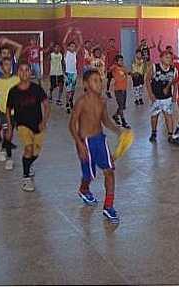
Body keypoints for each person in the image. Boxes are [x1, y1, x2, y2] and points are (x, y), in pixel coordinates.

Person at [69, 69, 124, 224]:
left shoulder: (102, 101)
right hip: (86, 142)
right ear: (85, 84)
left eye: (100, 80)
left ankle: (108, 206)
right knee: (89, 176)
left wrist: (119, 131)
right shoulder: (81, 102)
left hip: (100, 141)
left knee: (109, 171)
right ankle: (84, 189)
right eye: (94, 80)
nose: (99, 83)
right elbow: (72, 125)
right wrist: (79, 144)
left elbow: (105, 120)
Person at [6, 62, 50, 191]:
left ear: (30, 73)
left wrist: (44, 121)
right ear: (17, 73)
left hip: (38, 125)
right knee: (28, 148)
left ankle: (28, 163)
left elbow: (47, 106)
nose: (24, 73)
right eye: (21, 70)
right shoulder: (13, 91)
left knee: (35, 152)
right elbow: (8, 109)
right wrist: (9, 126)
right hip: (22, 125)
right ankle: (26, 178)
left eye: (27, 70)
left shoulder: (37, 89)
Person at [0, 57, 21, 169]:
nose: (8, 67)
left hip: (15, 112)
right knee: (8, 133)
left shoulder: (17, 80)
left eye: (10, 65)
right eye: (6, 65)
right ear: (0, 68)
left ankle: (3, 147)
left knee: (10, 133)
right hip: (3, 111)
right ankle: (9, 159)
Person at [145, 51, 179, 145]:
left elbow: (176, 82)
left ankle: (170, 135)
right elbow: (147, 80)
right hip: (156, 98)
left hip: (167, 97)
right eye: (166, 57)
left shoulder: (174, 70)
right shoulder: (154, 67)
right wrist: (150, 94)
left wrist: (174, 95)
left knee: (168, 116)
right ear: (161, 58)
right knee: (154, 116)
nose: (169, 59)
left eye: (170, 58)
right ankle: (153, 133)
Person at [63, 28, 82, 114]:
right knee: (68, 90)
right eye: (71, 46)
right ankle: (67, 103)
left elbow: (81, 44)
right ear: (68, 47)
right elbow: (63, 43)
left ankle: (71, 100)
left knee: (73, 89)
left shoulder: (74, 53)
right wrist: (67, 33)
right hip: (68, 74)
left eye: (74, 46)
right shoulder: (66, 53)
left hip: (74, 73)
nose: (73, 48)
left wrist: (79, 34)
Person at [110, 55, 131, 129]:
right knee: (121, 106)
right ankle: (123, 121)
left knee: (122, 106)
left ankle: (115, 116)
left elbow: (128, 72)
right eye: (119, 60)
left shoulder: (124, 68)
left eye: (122, 60)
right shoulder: (115, 69)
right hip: (118, 90)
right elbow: (116, 77)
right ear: (116, 61)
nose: (121, 62)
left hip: (124, 89)